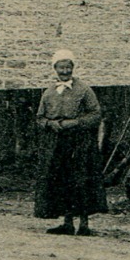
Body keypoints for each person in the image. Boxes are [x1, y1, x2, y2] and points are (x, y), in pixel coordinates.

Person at [33, 48, 107, 236]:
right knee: (62, 180)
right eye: (61, 67)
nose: (65, 71)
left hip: (81, 143)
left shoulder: (84, 90)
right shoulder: (49, 93)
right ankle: (67, 222)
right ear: (55, 69)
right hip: (58, 143)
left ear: (73, 68)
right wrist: (52, 124)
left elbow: (96, 114)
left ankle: (84, 224)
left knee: (81, 180)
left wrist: (76, 123)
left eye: (68, 67)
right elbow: (39, 118)